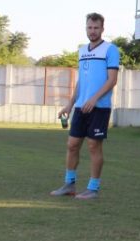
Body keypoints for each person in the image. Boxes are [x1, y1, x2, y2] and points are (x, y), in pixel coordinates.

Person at [51, 13, 120, 200]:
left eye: (96, 28)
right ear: (86, 28)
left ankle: (93, 188)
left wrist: (94, 98)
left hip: (100, 107)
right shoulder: (82, 51)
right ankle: (69, 184)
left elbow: (112, 80)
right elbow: (82, 81)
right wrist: (70, 104)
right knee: (72, 145)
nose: (92, 31)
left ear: (102, 29)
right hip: (81, 107)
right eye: (89, 27)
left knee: (93, 146)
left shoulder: (110, 50)